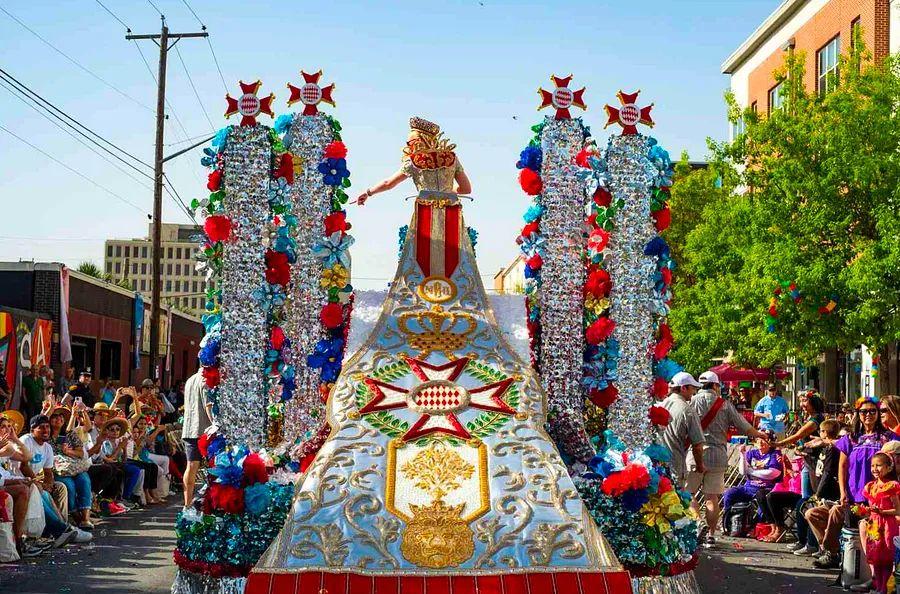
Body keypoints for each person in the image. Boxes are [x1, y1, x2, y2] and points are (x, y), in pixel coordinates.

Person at [805, 396, 897, 569]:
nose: (868, 414)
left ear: (877, 413)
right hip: (852, 495)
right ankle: (832, 551)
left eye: (872, 411)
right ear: (858, 414)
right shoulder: (851, 438)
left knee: (838, 514)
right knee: (813, 514)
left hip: (876, 499)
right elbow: (842, 466)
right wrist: (843, 492)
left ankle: (836, 554)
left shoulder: (887, 437)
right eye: (863, 411)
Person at [686, 370, 766, 547]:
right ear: (715, 385)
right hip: (718, 456)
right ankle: (711, 536)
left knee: (688, 495)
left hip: (695, 453)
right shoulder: (724, 404)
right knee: (712, 498)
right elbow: (744, 426)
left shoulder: (691, 401)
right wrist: (761, 434)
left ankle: (698, 522)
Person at [17, 414, 91, 546]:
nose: (46, 430)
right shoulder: (26, 440)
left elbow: (48, 472)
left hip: (34, 481)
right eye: (41, 428)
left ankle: (64, 526)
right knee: (40, 492)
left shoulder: (47, 447)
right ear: (32, 430)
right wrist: (36, 482)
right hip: (22, 480)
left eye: (47, 427)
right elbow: (23, 466)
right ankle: (61, 531)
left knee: (59, 487)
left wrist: (48, 484)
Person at [786, 418, 841, 556]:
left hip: (828, 491)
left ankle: (823, 547)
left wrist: (819, 492)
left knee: (812, 511)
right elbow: (815, 464)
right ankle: (816, 544)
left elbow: (827, 472)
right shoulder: (823, 447)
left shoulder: (832, 449)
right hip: (819, 487)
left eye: (821, 431)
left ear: (824, 432)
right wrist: (803, 453)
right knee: (805, 508)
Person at [721, 432, 783, 528]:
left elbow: (772, 473)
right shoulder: (751, 453)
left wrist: (750, 471)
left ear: (771, 442)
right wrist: (742, 454)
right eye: (759, 439)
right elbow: (742, 471)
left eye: (764, 439)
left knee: (763, 498)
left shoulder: (775, 454)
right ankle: (728, 522)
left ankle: (754, 527)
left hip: (766, 488)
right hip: (748, 487)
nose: (761, 442)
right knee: (729, 493)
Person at [858, 452, 900, 594]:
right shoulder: (871, 486)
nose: (875, 468)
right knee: (876, 557)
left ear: (888, 468)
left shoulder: (891, 486)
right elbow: (871, 510)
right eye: (872, 465)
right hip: (874, 525)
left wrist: (882, 511)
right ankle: (878, 585)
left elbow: (897, 510)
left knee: (886, 558)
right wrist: (862, 510)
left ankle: (884, 588)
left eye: (879, 465)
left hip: (887, 525)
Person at [47, 406, 94, 530]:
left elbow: (82, 453)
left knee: (84, 481)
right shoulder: (45, 436)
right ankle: (75, 516)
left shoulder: (69, 434)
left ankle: (86, 518)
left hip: (74, 467)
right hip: (58, 470)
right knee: (70, 486)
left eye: (61, 416)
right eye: (55, 416)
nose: (59, 419)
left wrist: (68, 452)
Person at [658, 371, 705, 489]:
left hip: (657, 467)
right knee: (676, 505)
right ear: (683, 388)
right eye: (693, 388)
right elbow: (698, 446)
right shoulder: (687, 410)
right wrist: (700, 466)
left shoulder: (660, 405)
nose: (694, 392)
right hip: (676, 467)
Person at [181, 369, 212, 509]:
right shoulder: (206, 380)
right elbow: (208, 406)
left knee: (191, 466)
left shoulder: (190, 380)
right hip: (204, 429)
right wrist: (215, 424)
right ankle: (209, 499)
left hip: (189, 428)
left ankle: (187, 503)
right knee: (213, 466)